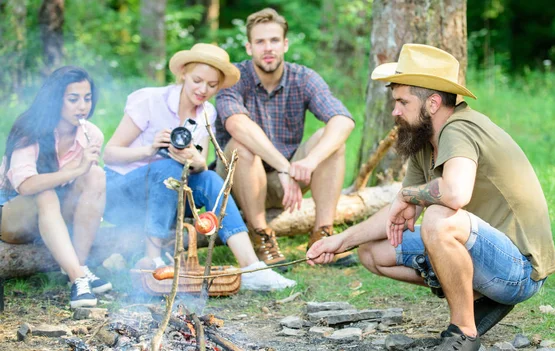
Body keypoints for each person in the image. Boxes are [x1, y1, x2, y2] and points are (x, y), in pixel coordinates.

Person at [307, 44, 555, 351]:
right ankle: (476, 297)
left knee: (439, 219)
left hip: (519, 270)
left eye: (402, 102)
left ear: (433, 103)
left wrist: (409, 195)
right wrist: (340, 241)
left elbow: (455, 192)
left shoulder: (459, 128)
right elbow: (397, 210)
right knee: (373, 251)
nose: (394, 111)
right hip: (483, 252)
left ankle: (464, 333)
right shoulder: (424, 142)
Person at [102, 43, 296, 291]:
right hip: (124, 192)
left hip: (168, 193)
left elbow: (201, 164)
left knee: (213, 180)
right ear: (183, 72)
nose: (203, 90)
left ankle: (251, 267)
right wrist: (150, 149)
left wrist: (193, 158)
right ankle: (152, 257)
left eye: (212, 85)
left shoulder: (207, 112)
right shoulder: (149, 99)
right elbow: (110, 154)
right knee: (168, 166)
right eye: (197, 80)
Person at [215, 8, 356, 267]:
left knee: (332, 140)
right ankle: (261, 236)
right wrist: (283, 165)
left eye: (274, 40)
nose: (268, 48)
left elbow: (343, 120)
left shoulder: (303, 77)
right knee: (240, 146)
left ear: (285, 44)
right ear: (249, 47)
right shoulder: (233, 78)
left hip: (287, 181)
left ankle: (322, 237)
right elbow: (236, 124)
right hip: (237, 182)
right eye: (260, 42)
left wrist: (309, 163)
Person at [0, 66, 112, 309]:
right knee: (46, 193)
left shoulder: (91, 134)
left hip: (54, 217)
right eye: (73, 99)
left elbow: (85, 182)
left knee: (96, 175)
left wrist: (83, 169)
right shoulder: (30, 130)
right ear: (55, 99)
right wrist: (73, 170)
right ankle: (78, 277)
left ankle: (78, 267)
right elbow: (27, 185)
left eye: (87, 98)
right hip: (12, 215)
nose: (82, 106)